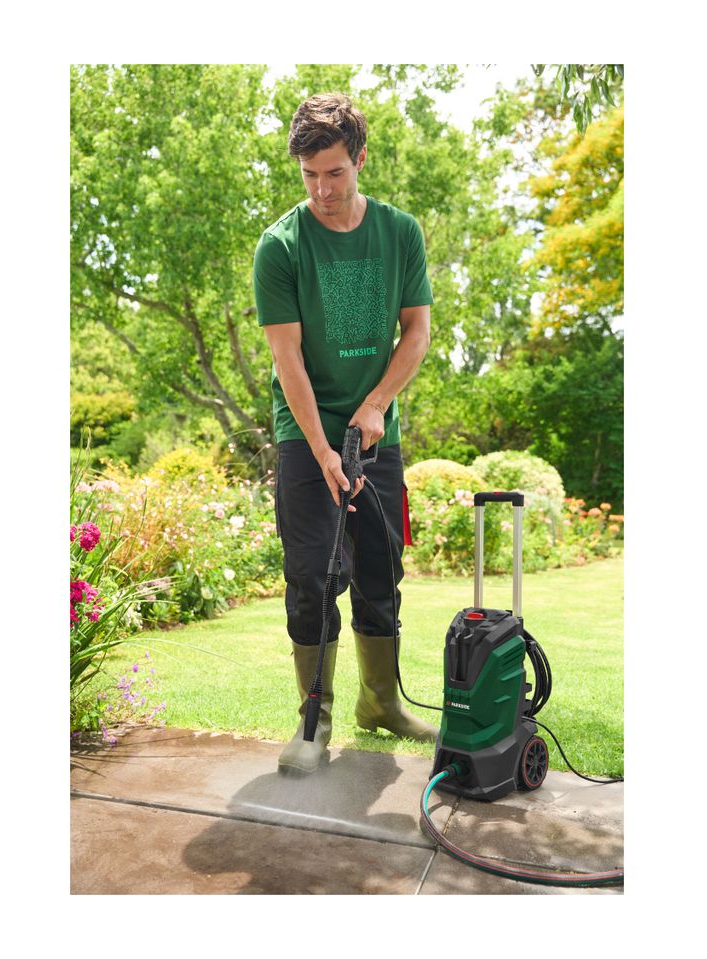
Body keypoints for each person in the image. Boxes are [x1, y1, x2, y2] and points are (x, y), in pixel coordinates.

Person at [252, 92, 438, 775]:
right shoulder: (280, 247)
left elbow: (416, 331)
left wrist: (377, 403)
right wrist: (324, 449)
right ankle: (314, 718)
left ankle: (380, 702)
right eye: (309, 176)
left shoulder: (399, 233)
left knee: (380, 567)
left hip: (373, 429)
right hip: (305, 433)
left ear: (360, 159)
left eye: (334, 172)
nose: (323, 190)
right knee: (309, 573)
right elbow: (287, 358)